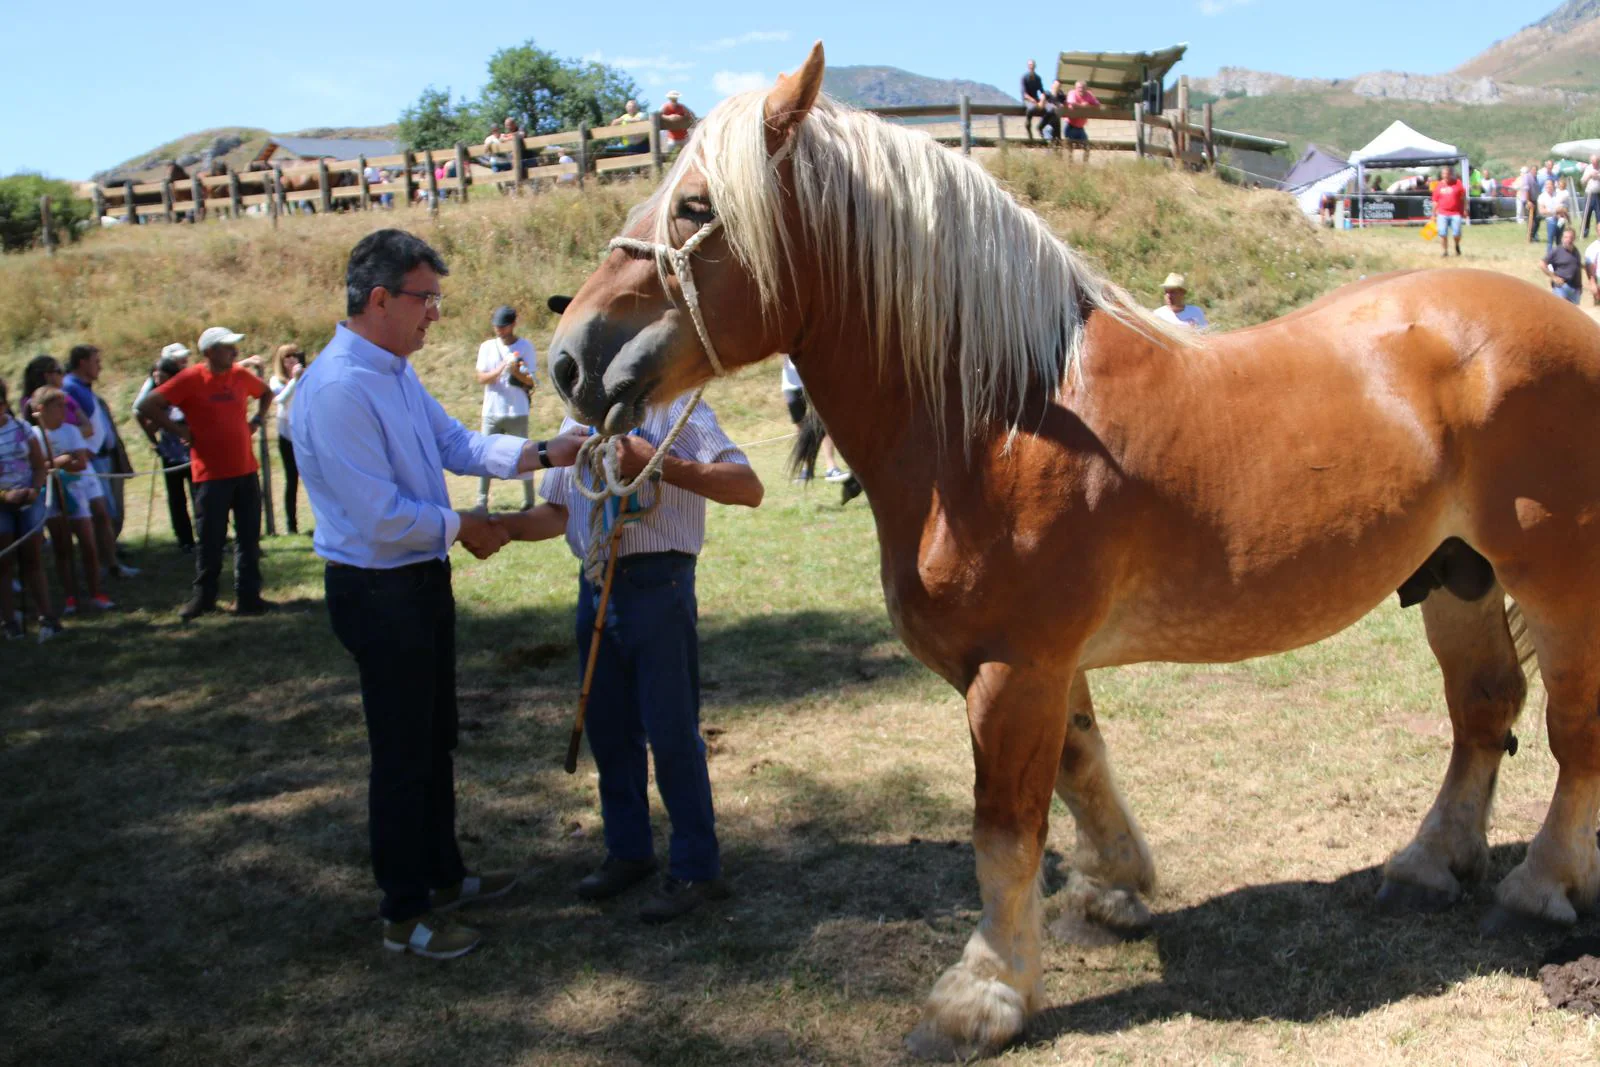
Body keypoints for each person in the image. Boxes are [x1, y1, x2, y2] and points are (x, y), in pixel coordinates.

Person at [293, 228, 586, 959]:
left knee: (434, 738)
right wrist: (465, 525)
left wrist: (546, 452)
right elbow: (378, 516)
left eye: (438, 299)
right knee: (401, 752)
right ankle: (404, 911)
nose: (435, 315)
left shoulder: (392, 371)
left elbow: (456, 444)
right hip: (378, 588)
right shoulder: (335, 388)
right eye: (426, 299)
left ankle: (445, 874)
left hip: (417, 582)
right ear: (381, 297)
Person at [498, 394, 764, 923]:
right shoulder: (579, 416)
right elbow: (557, 511)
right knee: (609, 730)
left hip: (657, 587)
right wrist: (498, 528)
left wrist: (657, 465)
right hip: (596, 587)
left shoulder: (675, 407)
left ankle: (696, 866)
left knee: (670, 732)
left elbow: (746, 487)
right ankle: (628, 851)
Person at [138, 326, 271, 620]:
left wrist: (257, 421)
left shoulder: (239, 375)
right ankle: (205, 598)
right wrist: (178, 430)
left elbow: (266, 393)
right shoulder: (190, 378)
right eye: (228, 347)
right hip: (210, 474)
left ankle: (249, 597)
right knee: (211, 539)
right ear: (210, 351)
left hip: (245, 469)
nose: (235, 353)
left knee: (249, 538)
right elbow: (148, 405)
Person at [29, 386, 111, 612]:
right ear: (42, 409)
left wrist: (56, 462)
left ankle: (96, 592)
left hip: (76, 491)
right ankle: (70, 596)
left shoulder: (71, 431)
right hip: (51, 494)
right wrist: (64, 459)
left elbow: (81, 463)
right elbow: (37, 467)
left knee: (88, 543)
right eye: (58, 406)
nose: (64, 410)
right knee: (62, 545)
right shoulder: (35, 435)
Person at [64, 344, 137, 579]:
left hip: (104, 458)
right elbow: (68, 425)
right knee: (99, 514)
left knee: (107, 513)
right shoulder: (70, 388)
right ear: (82, 362)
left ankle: (109, 561)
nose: (100, 366)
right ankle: (104, 564)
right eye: (96, 361)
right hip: (91, 461)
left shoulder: (83, 388)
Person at [0, 379, 60, 642]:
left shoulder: (23, 429)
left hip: (29, 500)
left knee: (33, 558)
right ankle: (9, 621)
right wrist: (4, 495)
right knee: (4, 563)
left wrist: (34, 490)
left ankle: (47, 617)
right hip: (2, 505)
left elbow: (39, 466)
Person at [134, 347, 197, 553]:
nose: (159, 380)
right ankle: (185, 539)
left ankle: (210, 535)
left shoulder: (185, 395)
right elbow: (143, 417)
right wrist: (153, 441)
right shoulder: (156, 400)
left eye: (162, 376)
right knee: (176, 498)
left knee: (200, 496)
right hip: (170, 454)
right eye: (155, 377)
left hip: (192, 454)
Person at [475, 305, 538, 510]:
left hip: (517, 411)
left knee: (524, 454)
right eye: (496, 326)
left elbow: (531, 381)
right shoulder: (487, 347)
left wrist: (516, 371)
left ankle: (529, 501)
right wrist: (502, 367)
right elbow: (482, 378)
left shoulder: (526, 346)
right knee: (485, 455)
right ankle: (481, 500)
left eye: (503, 326)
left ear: (512, 325)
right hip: (492, 411)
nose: (499, 330)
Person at [781, 357, 846, 482]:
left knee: (823, 423)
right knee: (801, 427)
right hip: (790, 384)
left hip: (812, 380)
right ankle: (807, 469)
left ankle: (831, 467)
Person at [269, 344, 309, 534]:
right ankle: (291, 525)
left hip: (305, 434)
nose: (291, 360)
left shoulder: (307, 377)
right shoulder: (276, 380)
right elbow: (280, 400)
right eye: (287, 357)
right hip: (286, 435)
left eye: (295, 356)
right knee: (291, 480)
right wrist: (295, 380)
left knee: (314, 479)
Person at [1431, 165, 1466, 257]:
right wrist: (1433, 214)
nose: (1445, 175)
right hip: (1442, 213)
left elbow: (1463, 198)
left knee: (1457, 233)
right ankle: (1445, 252)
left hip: (1455, 213)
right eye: (1444, 174)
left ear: (1451, 174)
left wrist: (1465, 209)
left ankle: (1457, 245)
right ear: (1442, 175)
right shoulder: (1438, 186)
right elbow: (1435, 201)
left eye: (1447, 174)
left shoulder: (1457, 183)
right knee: (1442, 233)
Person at [1063, 80, 1101, 162]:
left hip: (1080, 127)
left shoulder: (1089, 94)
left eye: (1083, 88)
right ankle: (1069, 166)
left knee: (1087, 147)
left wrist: (1087, 106)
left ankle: (1085, 165)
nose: (1081, 89)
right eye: (1079, 88)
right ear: (1075, 88)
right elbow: (1072, 104)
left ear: (1086, 88)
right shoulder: (1072, 93)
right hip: (1070, 126)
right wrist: (1084, 106)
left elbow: (1098, 105)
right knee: (1070, 148)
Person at [1544, 226, 1584, 305]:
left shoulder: (1576, 251)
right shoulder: (1557, 251)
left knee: (1573, 315)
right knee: (1562, 311)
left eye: (1571, 237)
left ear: (1574, 239)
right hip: (1561, 287)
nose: (1568, 240)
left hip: (1575, 289)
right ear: (1562, 238)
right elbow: (1542, 263)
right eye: (1566, 237)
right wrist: (1554, 277)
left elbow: (1576, 267)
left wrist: (1580, 286)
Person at [1539, 179, 1570, 254]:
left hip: (1560, 220)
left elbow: (1565, 206)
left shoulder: (1559, 194)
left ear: (1553, 185)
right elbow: (1541, 211)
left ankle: (1560, 256)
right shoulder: (1542, 196)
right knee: (1550, 241)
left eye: (1550, 184)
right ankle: (1549, 258)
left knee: (1560, 241)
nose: (1548, 186)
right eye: (1547, 184)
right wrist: (1554, 211)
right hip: (1551, 220)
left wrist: (1564, 212)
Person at [1020, 60, 1047, 141]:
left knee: (1047, 111)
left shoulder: (1038, 78)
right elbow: (1024, 93)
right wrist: (1031, 99)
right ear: (1028, 66)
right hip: (1027, 99)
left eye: (1032, 64)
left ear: (1035, 66)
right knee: (1031, 108)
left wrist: (1043, 98)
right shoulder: (1024, 77)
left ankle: (1041, 127)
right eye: (1030, 64)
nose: (1031, 66)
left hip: (1036, 98)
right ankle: (1028, 124)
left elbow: (1042, 90)